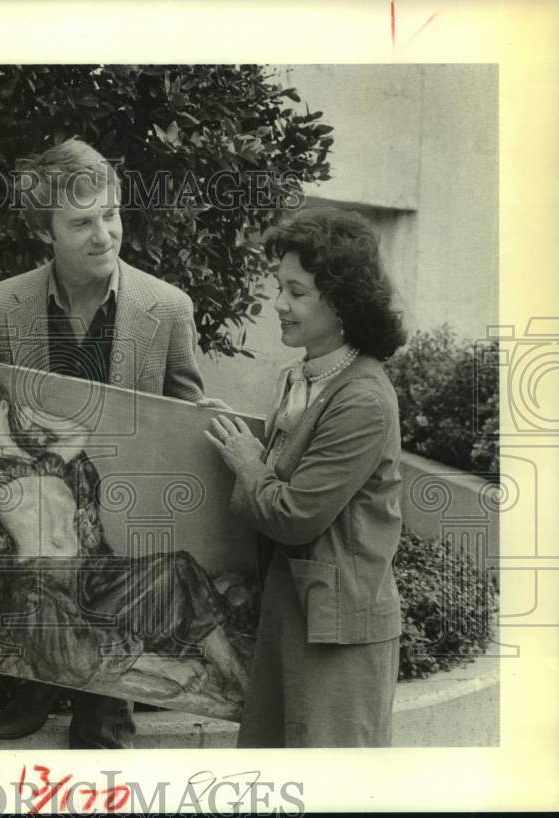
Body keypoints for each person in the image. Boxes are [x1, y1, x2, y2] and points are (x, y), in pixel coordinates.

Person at [0, 138, 228, 748]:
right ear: (46, 232)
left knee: (105, 708)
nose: (104, 234)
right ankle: (34, 678)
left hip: (98, 496)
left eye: (110, 214)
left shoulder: (166, 308)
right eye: (82, 223)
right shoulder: (4, 305)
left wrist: (205, 418)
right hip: (26, 500)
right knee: (43, 587)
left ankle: (104, 707)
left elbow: (183, 407)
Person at [0, 371, 246, 709]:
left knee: (177, 569)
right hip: (38, 579)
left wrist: (36, 416)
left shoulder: (48, 460)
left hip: (90, 575)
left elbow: (78, 433)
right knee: (41, 623)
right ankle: (155, 664)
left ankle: (235, 676)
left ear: (3, 406)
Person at [204, 207, 407, 747]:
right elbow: (288, 467)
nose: (278, 304)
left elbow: (295, 515)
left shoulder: (362, 398)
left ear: (340, 303)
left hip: (337, 634)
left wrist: (248, 462)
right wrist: (233, 435)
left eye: (296, 292)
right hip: (293, 612)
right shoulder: (301, 378)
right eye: (278, 287)